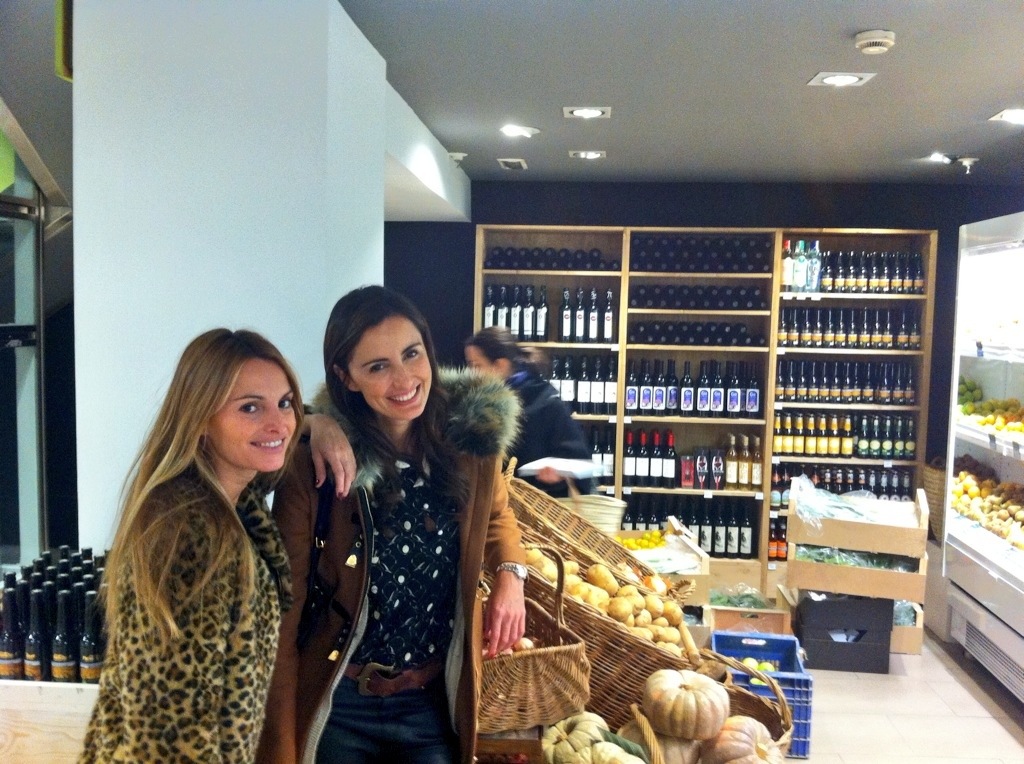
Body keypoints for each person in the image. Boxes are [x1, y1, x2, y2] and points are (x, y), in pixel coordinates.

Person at [259, 286, 527, 764]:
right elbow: (286, 608)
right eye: (378, 366)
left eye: (412, 354)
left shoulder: (470, 437)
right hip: (340, 704)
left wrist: (511, 574)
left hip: (431, 703)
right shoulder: (316, 464)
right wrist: (280, 744)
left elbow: (496, 516)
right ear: (346, 377)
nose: (404, 380)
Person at [80, 328, 302, 762]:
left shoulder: (229, 500)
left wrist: (321, 424)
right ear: (200, 418)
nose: (279, 423)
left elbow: (286, 436)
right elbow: (168, 727)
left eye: (285, 402)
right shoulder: (188, 535)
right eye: (250, 407)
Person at [464, 326, 593, 497]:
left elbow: (579, 462)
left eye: (476, 366)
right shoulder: (479, 405)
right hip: (496, 507)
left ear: (500, 365)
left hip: (538, 509)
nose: (470, 373)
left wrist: (557, 476)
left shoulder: (546, 402)